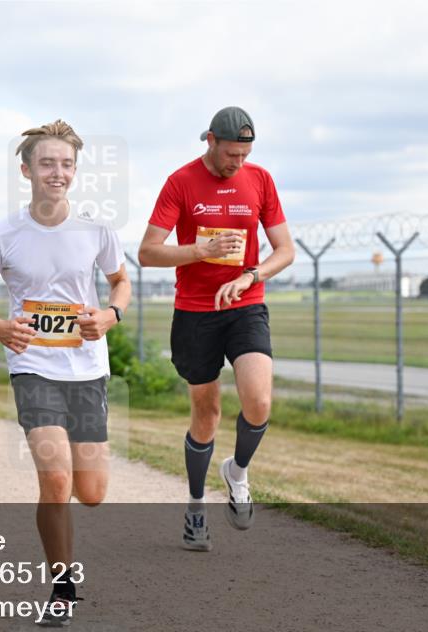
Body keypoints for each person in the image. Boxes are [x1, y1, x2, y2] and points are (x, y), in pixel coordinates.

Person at [0, 120, 131, 626]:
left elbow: (120, 283)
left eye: (67, 164)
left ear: (75, 171)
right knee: (55, 480)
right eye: (48, 163)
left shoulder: (97, 230)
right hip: (33, 367)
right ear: (27, 169)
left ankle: (65, 562)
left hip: (87, 369)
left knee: (91, 493)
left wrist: (110, 315)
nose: (58, 172)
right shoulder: (2, 234)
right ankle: (61, 586)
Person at [137, 107, 295, 551]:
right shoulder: (181, 182)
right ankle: (194, 508)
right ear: (209, 140)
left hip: (245, 304)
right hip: (194, 311)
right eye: (230, 154)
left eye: (244, 155)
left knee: (259, 400)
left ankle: (238, 472)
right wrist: (200, 250)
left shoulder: (260, 180)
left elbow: (285, 250)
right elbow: (148, 252)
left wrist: (251, 275)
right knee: (206, 414)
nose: (236, 164)